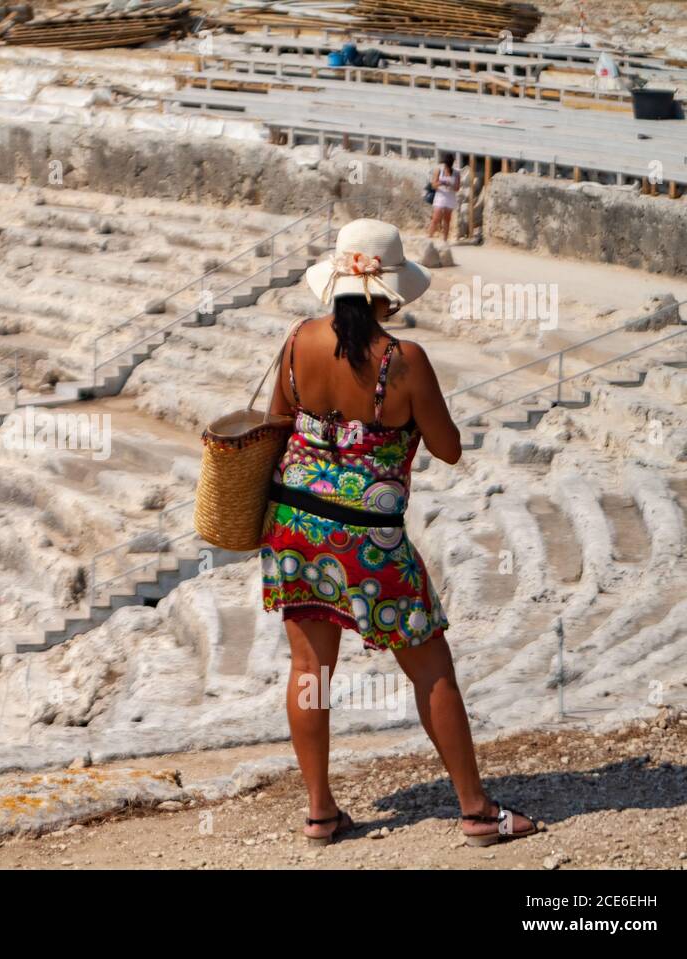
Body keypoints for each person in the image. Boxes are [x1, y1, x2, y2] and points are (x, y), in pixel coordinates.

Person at [261, 218, 538, 847]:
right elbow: (448, 449)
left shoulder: (297, 341)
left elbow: (277, 426)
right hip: (370, 538)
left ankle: (321, 813)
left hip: (295, 526)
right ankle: (474, 811)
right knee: (431, 666)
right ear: (390, 293)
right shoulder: (403, 361)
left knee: (310, 667)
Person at [427, 153, 460, 242]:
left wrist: (451, 185)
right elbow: (433, 185)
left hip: (450, 197)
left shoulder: (456, 173)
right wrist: (441, 183)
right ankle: (429, 238)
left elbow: (457, 188)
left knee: (447, 219)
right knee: (435, 218)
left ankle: (445, 240)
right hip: (440, 196)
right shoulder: (439, 170)